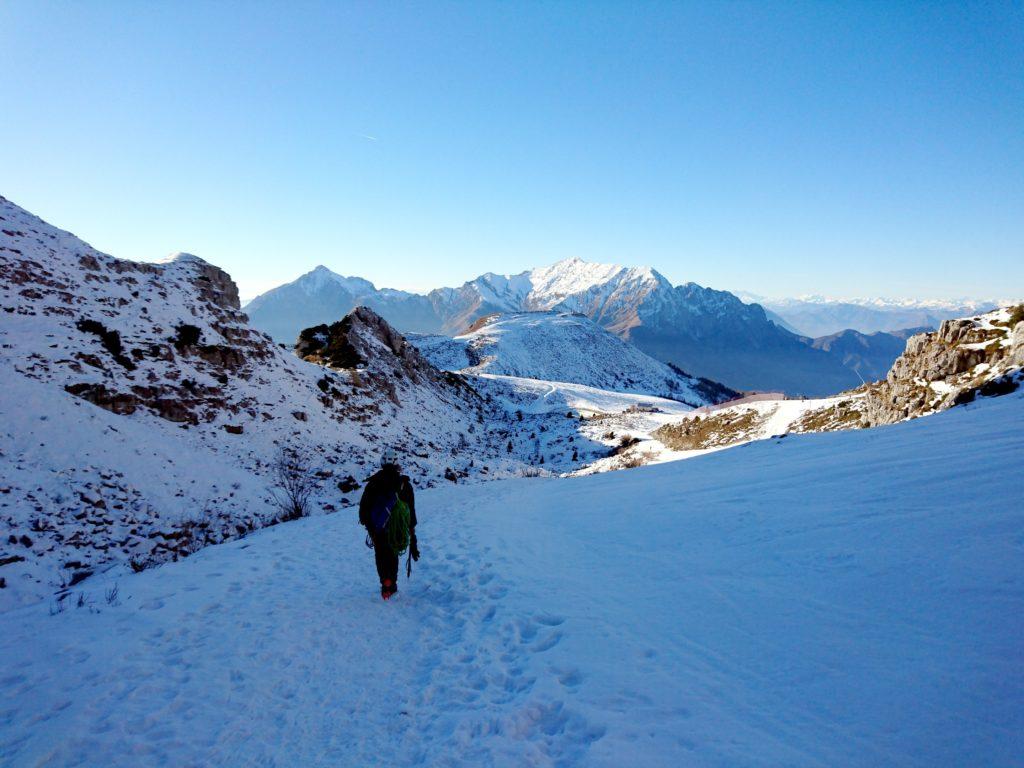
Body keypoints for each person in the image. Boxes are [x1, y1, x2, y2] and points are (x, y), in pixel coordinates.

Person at [358, 449, 420, 599]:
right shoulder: (404, 484)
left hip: (378, 528)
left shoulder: (373, 482)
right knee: (393, 554)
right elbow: (410, 510)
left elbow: (364, 508)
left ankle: (384, 583)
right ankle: (391, 583)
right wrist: (412, 534)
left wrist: (369, 525)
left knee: (380, 553)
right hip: (397, 528)